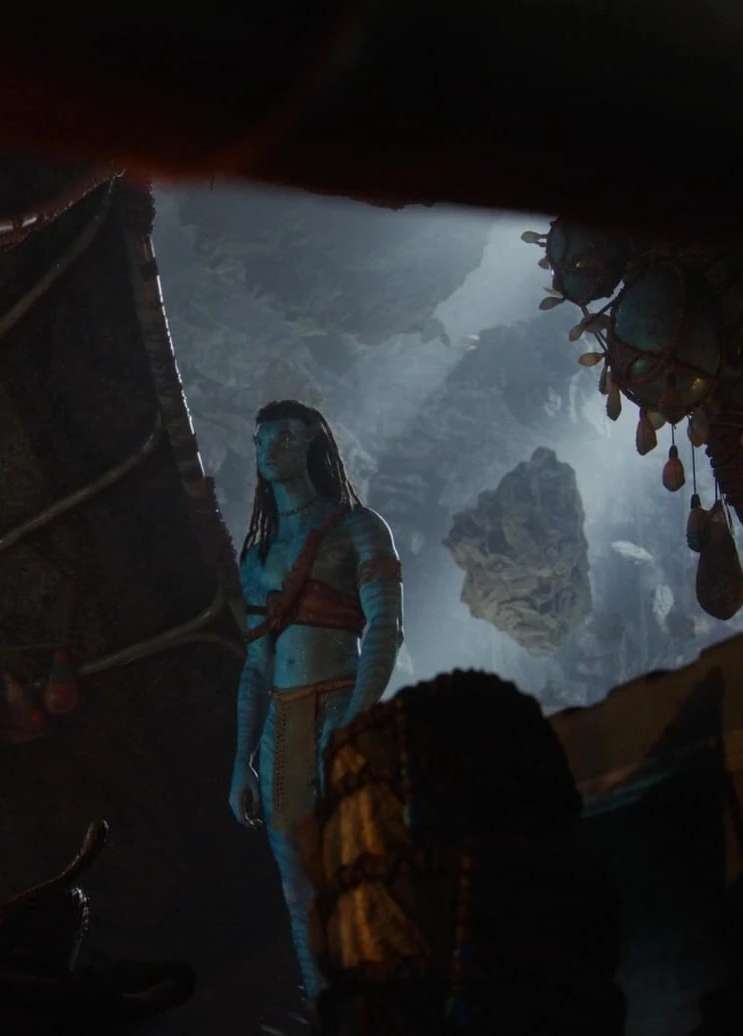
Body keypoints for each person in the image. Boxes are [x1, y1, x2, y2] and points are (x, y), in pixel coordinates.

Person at [227, 399, 404, 999]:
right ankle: (326, 1010)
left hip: (343, 708)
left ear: (310, 442)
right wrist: (242, 761)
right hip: (282, 726)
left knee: (365, 867)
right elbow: (257, 666)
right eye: (261, 440)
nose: (269, 449)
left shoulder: (360, 528)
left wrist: (355, 720)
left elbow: (385, 630)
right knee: (297, 887)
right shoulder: (256, 557)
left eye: (283, 437)